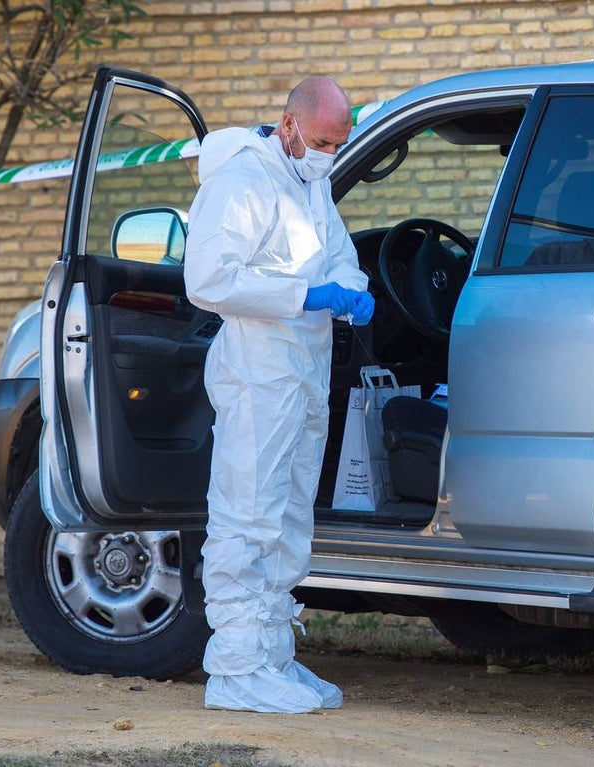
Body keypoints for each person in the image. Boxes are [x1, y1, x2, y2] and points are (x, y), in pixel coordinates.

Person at [184, 76, 373, 713]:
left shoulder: (309, 181)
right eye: (321, 141)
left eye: (338, 144)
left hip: (304, 372)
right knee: (247, 515)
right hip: (257, 374)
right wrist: (304, 295)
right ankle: (235, 669)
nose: (329, 154)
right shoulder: (240, 183)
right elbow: (207, 280)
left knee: (290, 518)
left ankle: (272, 658)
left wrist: (351, 289)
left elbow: (340, 254)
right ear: (288, 125)